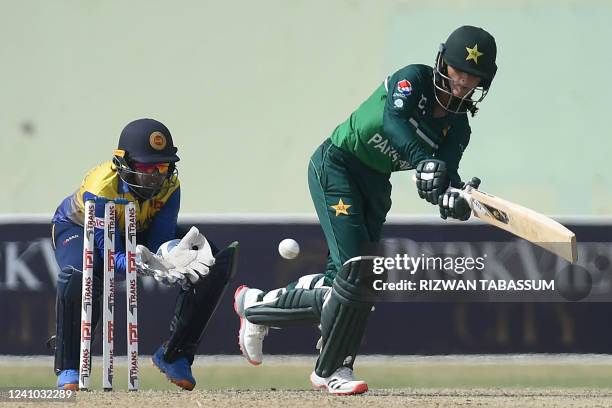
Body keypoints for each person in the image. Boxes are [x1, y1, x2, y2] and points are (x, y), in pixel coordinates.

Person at [233, 25, 498, 395]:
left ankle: (256, 305)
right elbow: (394, 124)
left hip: (375, 182)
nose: (464, 82)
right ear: (441, 62)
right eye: (459, 70)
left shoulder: (458, 129)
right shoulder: (412, 80)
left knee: (353, 283)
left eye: (474, 77)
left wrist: (454, 199)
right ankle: (332, 371)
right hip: (339, 164)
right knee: (356, 273)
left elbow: (442, 179)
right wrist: (425, 162)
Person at [51, 118, 238, 390]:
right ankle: (70, 366)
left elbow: (161, 239)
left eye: (161, 167)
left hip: (139, 228)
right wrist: (132, 262)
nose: (154, 176)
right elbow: (106, 252)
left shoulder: (170, 186)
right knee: (83, 272)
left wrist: (165, 260)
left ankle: (175, 355)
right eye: (146, 168)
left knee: (214, 264)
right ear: (124, 164)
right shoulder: (102, 186)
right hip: (81, 228)